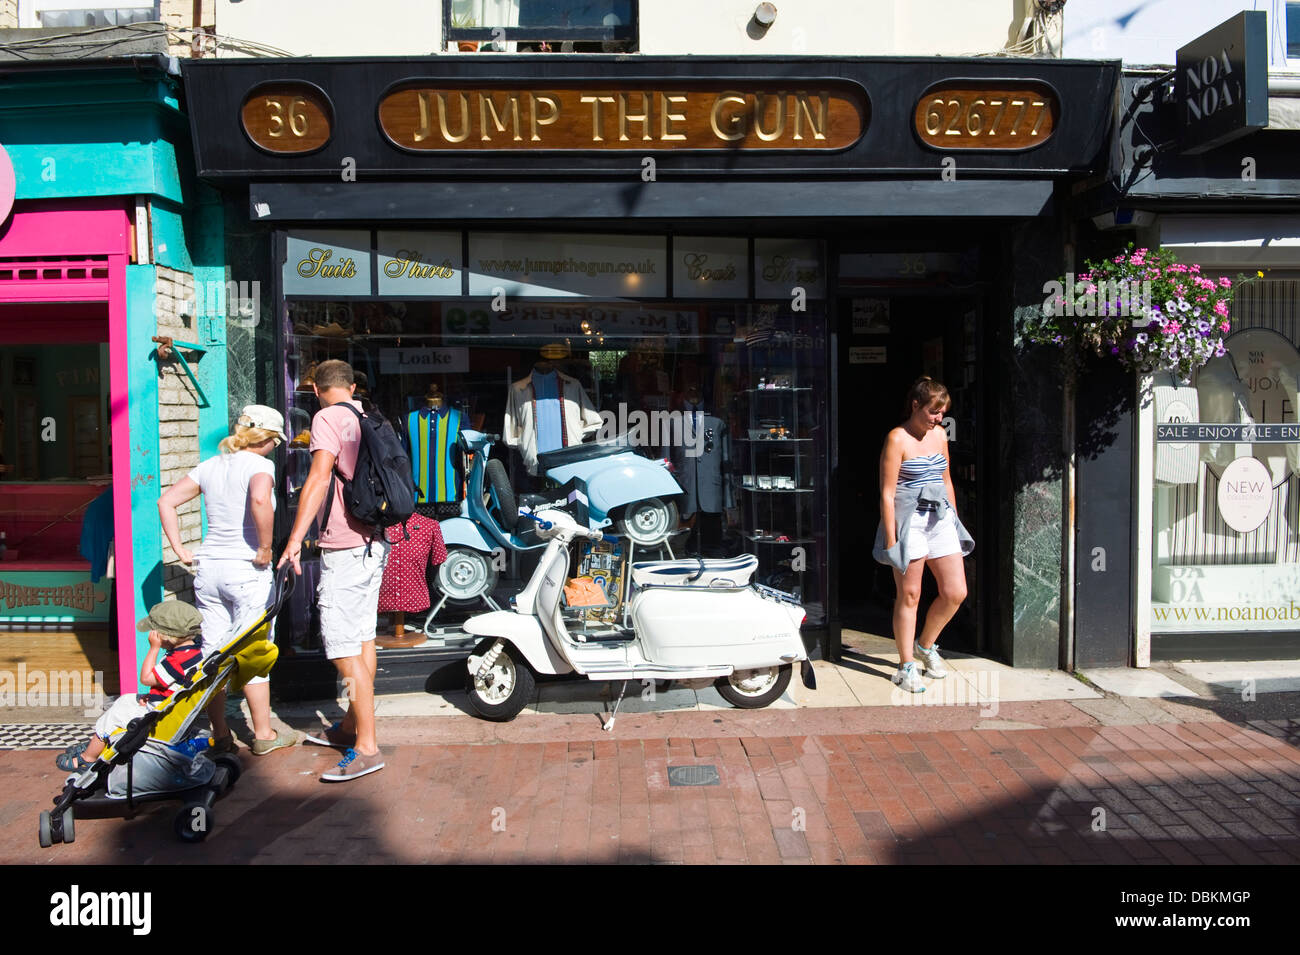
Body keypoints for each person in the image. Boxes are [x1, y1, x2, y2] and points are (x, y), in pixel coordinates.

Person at [158, 405, 298, 755]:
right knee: (252, 653)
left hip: (209, 570)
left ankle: (220, 735)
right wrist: (265, 547)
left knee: (212, 653)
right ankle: (263, 735)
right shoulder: (260, 466)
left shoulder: (210, 466)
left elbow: (166, 501)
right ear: (265, 438)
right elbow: (260, 499)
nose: (275, 448)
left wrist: (180, 548)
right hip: (245, 569)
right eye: (274, 442)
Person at [278, 359, 390, 782]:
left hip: (344, 547)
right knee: (362, 638)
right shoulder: (371, 416)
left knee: (342, 647)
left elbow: (320, 478)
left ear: (315, 387)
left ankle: (367, 746)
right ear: (351, 384)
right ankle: (350, 727)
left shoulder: (327, 417)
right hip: (374, 543)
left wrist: (293, 541)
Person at [873, 377, 974, 694]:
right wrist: (891, 539)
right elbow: (887, 493)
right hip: (909, 521)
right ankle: (905, 667)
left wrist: (955, 521)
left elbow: (946, 480)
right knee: (910, 594)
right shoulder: (897, 438)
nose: (938, 418)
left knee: (956, 592)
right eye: (933, 411)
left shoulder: (940, 434)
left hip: (940, 519)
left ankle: (926, 645)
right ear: (916, 405)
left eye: (942, 412)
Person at [56, 601, 204, 771]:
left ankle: (87, 757)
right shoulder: (194, 653)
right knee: (125, 700)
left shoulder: (176, 660)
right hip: (167, 707)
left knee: (112, 717)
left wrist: (153, 649)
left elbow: (147, 678)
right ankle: (96, 744)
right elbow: (176, 685)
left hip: (158, 715)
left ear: (166, 635)